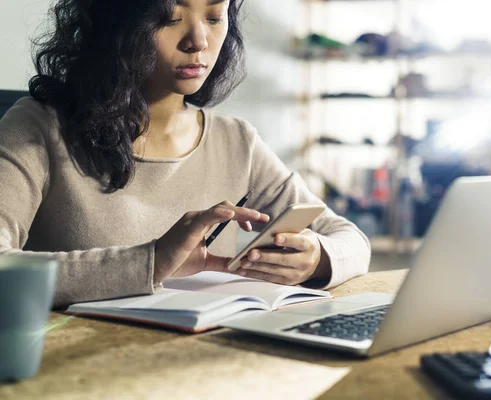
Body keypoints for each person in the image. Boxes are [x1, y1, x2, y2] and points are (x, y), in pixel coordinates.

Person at [0, 0, 370, 308]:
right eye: (170, 19)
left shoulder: (236, 140)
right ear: (116, 23)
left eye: (214, 17)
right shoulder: (37, 127)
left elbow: (349, 238)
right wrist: (153, 262)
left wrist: (316, 258)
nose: (199, 40)